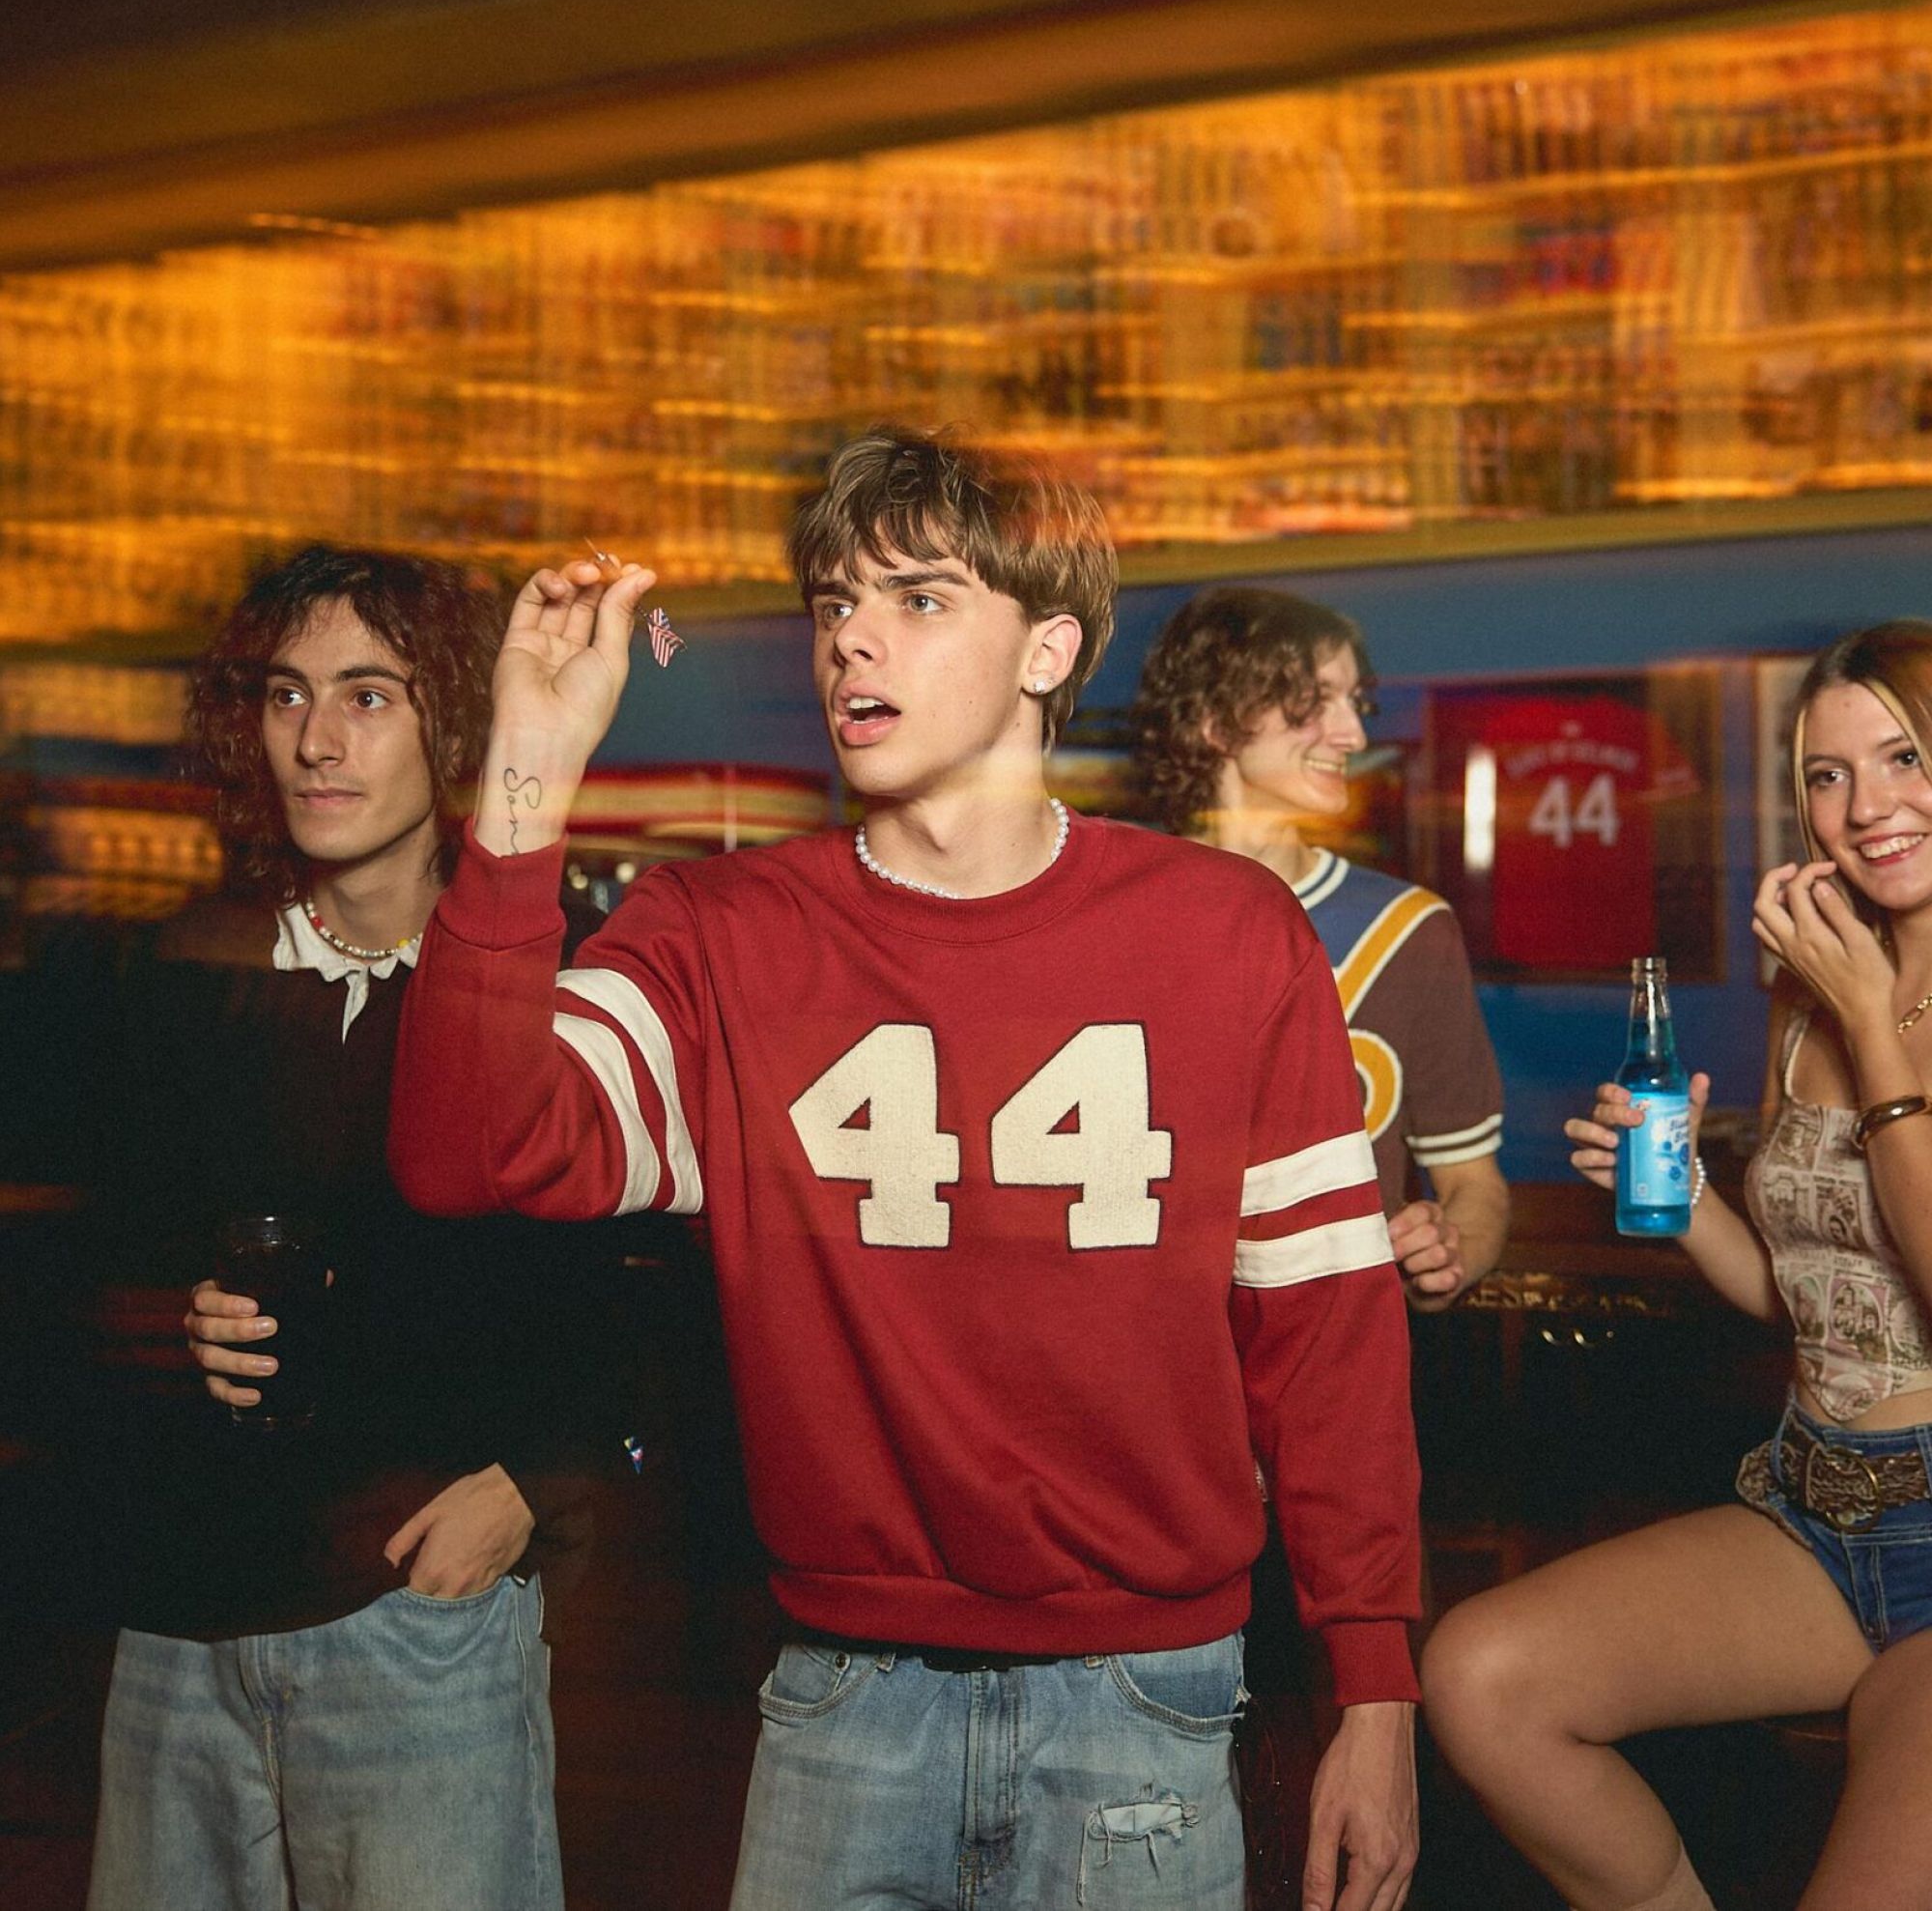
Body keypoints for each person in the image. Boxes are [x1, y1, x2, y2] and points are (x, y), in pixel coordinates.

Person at [329, 428, 1423, 1910]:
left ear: (1049, 647)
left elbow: (1327, 1335)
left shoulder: (1227, 932)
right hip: (839, 1706)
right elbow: (465, 1154)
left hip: (1146, 1701)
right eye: (835, 601)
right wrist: (528, 762)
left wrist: (1376, 1695)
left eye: (917, 598)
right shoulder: (718, 933)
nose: (853, 636)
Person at [87, 545, 634, 1911]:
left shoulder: (549, 981)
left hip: (414, 1633)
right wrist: (163, 1326)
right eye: (285, 695)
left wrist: (538, 1482)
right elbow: (73, 1276)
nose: (316, 742)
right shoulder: (184, 977)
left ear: (451, 721)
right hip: (178, 1633)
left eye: (370, 696)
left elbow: (652, 1285)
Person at [1422, 619, 1932, 1911]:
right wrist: (1684, 1194)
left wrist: (1879, 1031)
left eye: (1905, 758)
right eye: (1827, 774)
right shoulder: (1813, 986)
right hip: (1817, 1507)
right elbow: (1795, 1294)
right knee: (1484, 1679)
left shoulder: (1853, 1000)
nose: (1866, 806)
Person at [1128, 585, 1509, 1307]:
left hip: (1339, 1370)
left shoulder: (1408, 931)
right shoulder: (1116, 921)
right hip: (1153, 1369)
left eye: (1352, 703)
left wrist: (1448, 1252)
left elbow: (1473, 1184)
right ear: (1215, 721)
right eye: (1313, 701)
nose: (1354, 736)